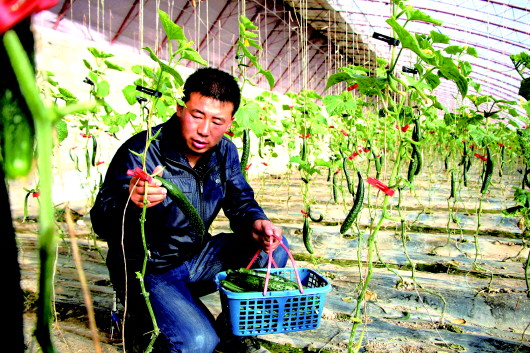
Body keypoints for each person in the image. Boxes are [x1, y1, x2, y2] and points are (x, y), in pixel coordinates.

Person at [90, 67, 289, 353]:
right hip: (149, 270)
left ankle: (233, 335)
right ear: (180, 109)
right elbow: (100, 220)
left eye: (217, 121)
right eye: (197, 115)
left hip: (196, 258)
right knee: (198, 343)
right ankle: (141, 320)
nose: (205, 130)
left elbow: (241, 202)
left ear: (230, 122)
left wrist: (256, 222)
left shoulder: (225, 152)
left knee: (274, 248)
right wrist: (129, 202)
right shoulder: (143, 150)